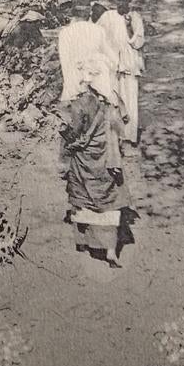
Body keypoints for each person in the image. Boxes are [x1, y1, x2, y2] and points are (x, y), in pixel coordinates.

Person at [60, 55, 130, 268]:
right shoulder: (113, 99)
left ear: (86, 77)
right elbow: (123, 123)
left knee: (83, 198)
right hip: (107, 158)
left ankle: (84, 243)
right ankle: (111, 250)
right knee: (108, 201)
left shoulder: (81, 103)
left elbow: (74, 132)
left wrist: (64, 134)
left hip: (85, 160)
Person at [98, 0, 145, 146]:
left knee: (127, 97)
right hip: (114, 64)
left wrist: (129, 27)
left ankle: (127, 134)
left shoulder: (134, 17)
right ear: (115, 0)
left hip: (127, 64)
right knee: (117, 97)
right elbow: (98, 36)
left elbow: (138, 42)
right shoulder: (108, 17)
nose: (122, 3)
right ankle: (118, 135)